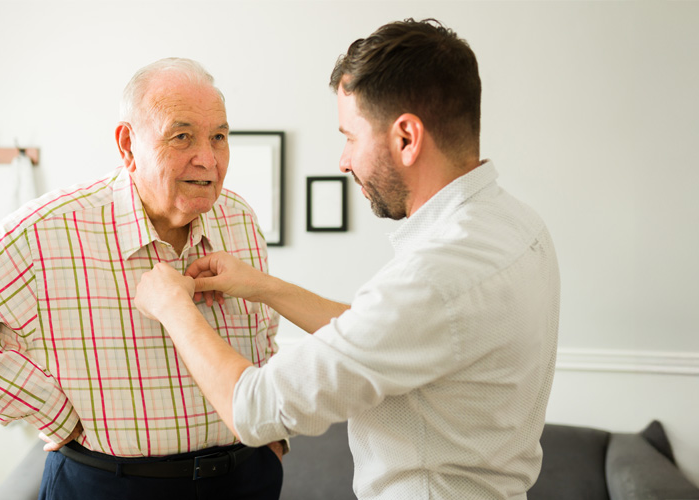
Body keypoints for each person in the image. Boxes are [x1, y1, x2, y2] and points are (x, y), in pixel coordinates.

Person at [134, 19, 560, 500]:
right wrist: (264, 287)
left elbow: (254, 410)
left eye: (351, 136)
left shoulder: (434, 277)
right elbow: (395, 334)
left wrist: (173, 308)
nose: (343, 160)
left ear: (406, 138)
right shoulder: (518, 227)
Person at [0, 58, 284, 500]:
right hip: (112, 486)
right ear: (128, 144)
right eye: (182, 136)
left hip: (245, 477)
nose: (207, 159)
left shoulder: (239, 218)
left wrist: (275, 439)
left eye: (219, 137)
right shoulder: (50, 230)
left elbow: (262, 335)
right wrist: (51, 411)